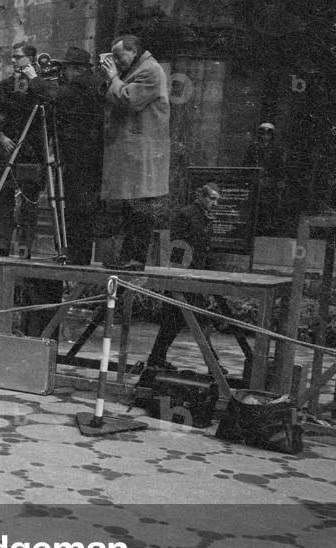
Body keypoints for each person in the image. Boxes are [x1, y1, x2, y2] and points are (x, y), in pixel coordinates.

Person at [98, 33, 170, 270]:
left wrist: (113, 78)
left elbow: (129, 100)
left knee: (141, 208)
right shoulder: (134, 71)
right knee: (131, 207)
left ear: (134, 51)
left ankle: (135, 259)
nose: (116, 62)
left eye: (119, 57)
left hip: (143, 154)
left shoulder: (151, 70)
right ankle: (128, 258)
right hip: (133, 154)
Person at [28, 47, 105, 265]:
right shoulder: (89, 83)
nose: (64, 74)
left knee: (78, 207)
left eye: (67, 69)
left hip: (82, 156)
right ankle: (74, 254)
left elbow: (57, 95)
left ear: (77, 69)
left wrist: (34, 80)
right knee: (77, 206)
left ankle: (76, 257)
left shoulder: (83, 85)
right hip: (83, 154)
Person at [146, 183, 221, 370]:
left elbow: (205, 249)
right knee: (182, 322)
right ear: (201, 197)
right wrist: (179, 275)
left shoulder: (205, 218)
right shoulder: (186, 214)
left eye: (217, 200)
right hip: (184, 277)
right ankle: (213, 365)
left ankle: (156, 359)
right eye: (212, 199)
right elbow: (177, 246)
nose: (215, 203)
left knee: (177, 322)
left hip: (196, 276)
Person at [0, 42, 46, 257]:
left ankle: (24, 246)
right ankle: (1, 244)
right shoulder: (2, 88)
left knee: (29, 199)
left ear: (31, 59)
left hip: (31, 152)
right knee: (3, 197)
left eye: (18, 57)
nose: (14, 60)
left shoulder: (40, 88)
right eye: (13, 57)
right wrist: (0, 136)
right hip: (6, 150)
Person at [243, 122, 283, 235]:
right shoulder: (253, 147)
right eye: (262, 134)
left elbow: (279, 167)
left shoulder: (276, 150)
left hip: (269, 183)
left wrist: (277, 181)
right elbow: (246, 164)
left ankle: (265, 229)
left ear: (271, 136)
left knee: (266, 207)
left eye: (267, 134)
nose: (264, 136)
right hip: (254, 181)